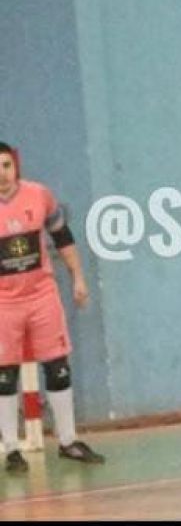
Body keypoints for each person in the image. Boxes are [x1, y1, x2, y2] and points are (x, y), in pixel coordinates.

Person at [0, 142, 105, 473]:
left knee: (58, 366)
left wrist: (78, 278)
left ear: (15, 166)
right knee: (5, 375)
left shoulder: (39, 195)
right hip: (4, 302)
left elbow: (62, 237)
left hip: (42, 295)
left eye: (5, 165)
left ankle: (68, 441)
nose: (0, 174)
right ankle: (11, 449)